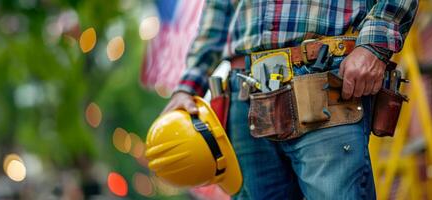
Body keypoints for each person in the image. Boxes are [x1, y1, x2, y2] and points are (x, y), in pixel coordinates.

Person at [161, 0, 418, 199]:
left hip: (326, 81)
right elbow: (218, 10)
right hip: (246, 94)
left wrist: (374, 45)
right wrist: (188, 86)